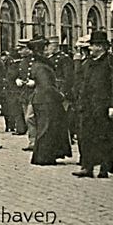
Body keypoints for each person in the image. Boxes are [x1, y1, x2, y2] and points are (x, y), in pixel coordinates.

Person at [73, 31, 113, 178]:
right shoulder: (88, 63)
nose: (90, 49)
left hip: (104, 107)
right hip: (87, 107)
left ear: (100, 46)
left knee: (105, 137)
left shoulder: (112, 62)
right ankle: (87, 167)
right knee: (86, 137)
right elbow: (81, 83)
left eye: (92, 46)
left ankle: (104, 169)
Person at [22, 38, 72, 166]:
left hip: (42, 99)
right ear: (42, 50)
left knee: (45, 128)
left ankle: (44, 155)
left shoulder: (38, 64)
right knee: (47, 129)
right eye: (46, 47)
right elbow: (47, 86)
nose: (48, 49)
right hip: (47, 100)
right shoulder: (42, 66)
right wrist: (60, 96)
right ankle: (45, 157)